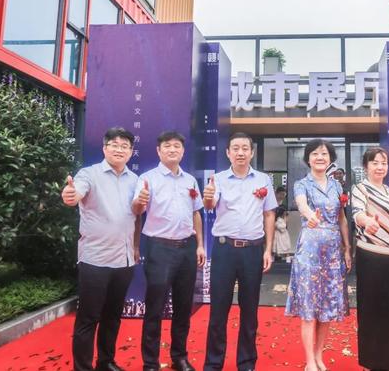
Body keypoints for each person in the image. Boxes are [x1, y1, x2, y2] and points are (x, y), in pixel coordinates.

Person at [61, 127, 140, 371]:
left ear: (131, 152)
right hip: (95, 260)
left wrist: (135, 248)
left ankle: (106, 362)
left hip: (124, 260)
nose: (119, 150)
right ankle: (82, 367)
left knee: (112, 317)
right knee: (88, 318)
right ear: (105, 148)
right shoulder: (89, 174)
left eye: (125, 146)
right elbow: (76, 191)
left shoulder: (135, 180)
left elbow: (137, 216)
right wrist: (71, 194)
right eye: (114, 145)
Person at [202, 132, 277, 371]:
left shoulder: (263, 180)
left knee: (250, 310)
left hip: (252, 251)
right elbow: (209, 205)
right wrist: (207, 198)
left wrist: (268, 249)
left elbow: (269, 214)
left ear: (252, 152)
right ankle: (213, 364)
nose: (240, 152)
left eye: (245, 148)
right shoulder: (218, 179)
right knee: (218, 309)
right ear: (228, 153)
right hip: (224, 249)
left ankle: (246, 363)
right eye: (235, 148)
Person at [131, 131, 205, 371]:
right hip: (159, 248)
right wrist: (140, 201)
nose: (172, 150)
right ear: (158, 150)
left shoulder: (190, 181)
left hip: (187, 248)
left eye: (176, 146)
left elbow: (196, 213)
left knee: (183, 307)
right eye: (167, 146)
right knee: (154, 308)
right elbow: (136, 211)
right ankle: (150, 362)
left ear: (183, 151)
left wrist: (200, 244)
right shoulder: (147, 179)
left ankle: (179, 357)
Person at [285, 139, 352, 371]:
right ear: (308, 159)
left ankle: (319, 355)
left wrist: (347, 248)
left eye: (324, 153)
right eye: (315, 154)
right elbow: (302, 204)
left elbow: (342, 219)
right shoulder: (301, 184)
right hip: (310, 250)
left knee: (326, 308)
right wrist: (309, 215)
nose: (320, 157)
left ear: (330, 158)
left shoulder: (337, 187)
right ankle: (309, 362)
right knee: (309, 307)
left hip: (333, 250)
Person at [350, 147, 389, 371]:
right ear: (366, 166)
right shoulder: (360, 188)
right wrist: (367, 222)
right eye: (375, 163)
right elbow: (357, 213)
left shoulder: (388, 190)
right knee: (371, 311)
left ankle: (388, 363)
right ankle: (370, 363)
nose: (380, 167)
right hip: (372, 255)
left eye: (384, 163)